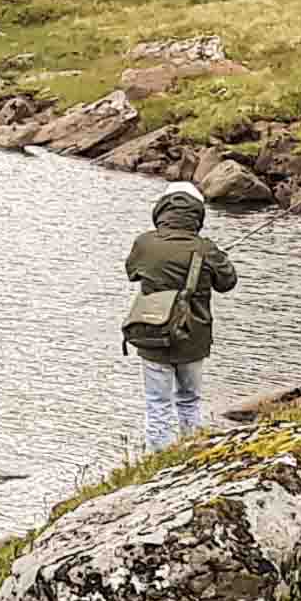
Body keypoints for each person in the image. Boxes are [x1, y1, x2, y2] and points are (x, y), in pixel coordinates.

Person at [121, 180, 239, 449]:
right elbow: (228, 283)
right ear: (197, 214)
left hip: (152, 335)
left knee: (157, 404)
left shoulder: (144, 243)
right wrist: (218, 259)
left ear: (161, 209)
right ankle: (192, 454)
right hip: (193, 339)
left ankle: (160, 461)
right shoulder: (206, 248)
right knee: (189, 400)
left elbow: (132, 273)